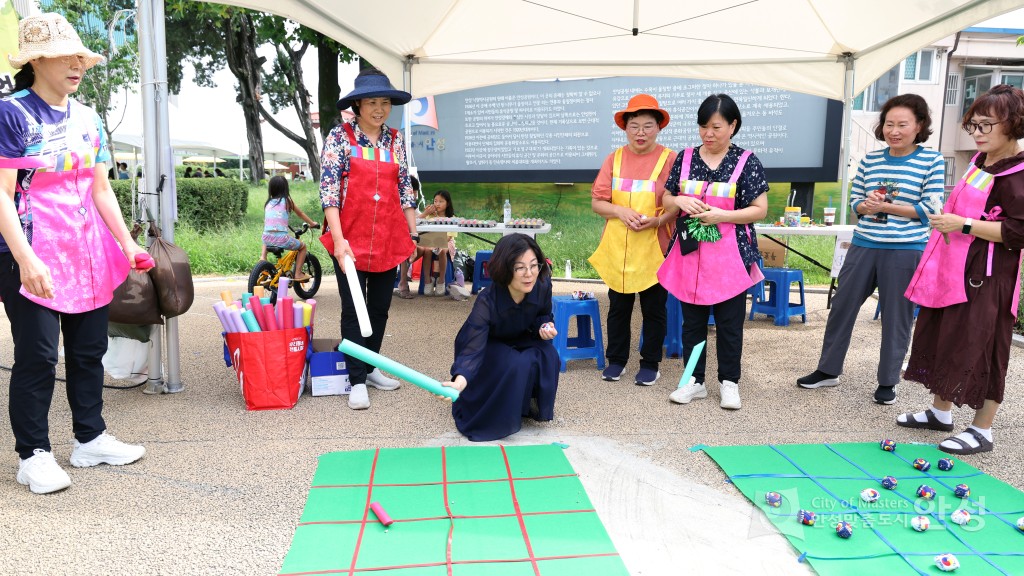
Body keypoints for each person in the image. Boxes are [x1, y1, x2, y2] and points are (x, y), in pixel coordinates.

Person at [0, 13, 147, 494]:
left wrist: (126, 243)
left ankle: (90, 438)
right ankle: (33, 454)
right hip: (30, 251)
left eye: (80, 56)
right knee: (39, 355)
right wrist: (24, 258)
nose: (77, 64)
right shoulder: (12, 113)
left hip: (84, 253)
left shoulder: (87, 117)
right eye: (66, 56)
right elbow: (2, 192)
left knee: (89, 351)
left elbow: (100, 189)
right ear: (37, 61)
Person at [897, 85, 1024, 455]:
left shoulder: (1018, 174)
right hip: (956, 268)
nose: (979, 133)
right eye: (974, 125)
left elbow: (1018, 231)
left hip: (990, 278)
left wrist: (963, 225)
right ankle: (941, 412)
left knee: (985, 346)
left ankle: (982, 430)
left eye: (986, 125)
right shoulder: (981, 161)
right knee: (948, 337)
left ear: (1013, 124)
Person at [797, 94, 944, 404]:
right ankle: (828, 370)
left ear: (919, 126)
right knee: (842, 306)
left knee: (896, 316)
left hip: (906, 248)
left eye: (902, 124)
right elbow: (856, 203)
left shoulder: (931, 160)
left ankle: (888, 381)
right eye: (889, 124)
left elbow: (932, 208)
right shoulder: (870, 160)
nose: (894, 130)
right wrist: (864, 206)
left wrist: (888, 207)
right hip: (864, 244)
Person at [659, 93, 769, 410]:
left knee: (729, 324)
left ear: (733, 126)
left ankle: (729, 382)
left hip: (730, 256)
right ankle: (693, 381)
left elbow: (759, 209)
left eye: (716, 127)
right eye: (703, 126)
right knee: (691, 324)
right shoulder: (686, 158)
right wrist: (679, 201)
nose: (709, 134)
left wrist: (723, 216)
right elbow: (667, 199)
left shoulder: (747, 162)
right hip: (690, 255)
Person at [320, 68, 416, 410]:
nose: (379, 108)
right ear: (358, 105)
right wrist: (339, 239)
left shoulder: (395, 140)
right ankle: (356, 379)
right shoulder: (340, 138)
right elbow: (329, 192)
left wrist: (412, 231)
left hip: (388, 235)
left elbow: (404, 188)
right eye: (372, 102)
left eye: (385, 102)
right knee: (353, 308)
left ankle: (372, 367)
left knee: (379, 308)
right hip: (350, 238)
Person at [588, 94, 676, 385]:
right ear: (625, 128)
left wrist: (660, 219)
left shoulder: (670, 159)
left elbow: (677, 201)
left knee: (654, 309)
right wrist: (619, 210)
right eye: (634, 126)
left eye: (647, 126)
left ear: (658, 127)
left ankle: (650, 363)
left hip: (655, 246)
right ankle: (617, 360)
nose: (641, 133)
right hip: (619, 249)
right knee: (618, 308)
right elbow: (598, 201)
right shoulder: (614, 159)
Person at [441, 234, 559, 441]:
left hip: (521, 335)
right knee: (515, 362)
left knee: (548, 354)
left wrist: (545, 326)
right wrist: (460, 381)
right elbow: (473, 348)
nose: (529, 274)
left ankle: (525, 405)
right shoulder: (487, 301)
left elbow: (543, 314)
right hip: (487, 343)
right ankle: (500, 411)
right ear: (505, 269)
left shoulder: (542, 284)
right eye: (520, 267)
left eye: (534, 265)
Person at [398, 187, 469, 301]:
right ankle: (427, 281)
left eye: (441, 201)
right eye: (435, 201)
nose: (437, 204)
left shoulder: (452, 218)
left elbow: (449, 237)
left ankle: (441, 280)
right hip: (429, 242)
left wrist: (438, 243)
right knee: (427, 250)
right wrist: (426, 213)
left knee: (441, 250)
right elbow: (416, 224)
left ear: (448, 203)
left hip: (446, 242)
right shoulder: (430, 216)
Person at [261, 175, 319, 280]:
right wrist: (312, 223)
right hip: (282, 239)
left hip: (266, 238)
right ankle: (298, 273)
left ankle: (263, 257)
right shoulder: (287, 201)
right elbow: (300, 213)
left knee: (267, 235)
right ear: (285, 188)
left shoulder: (268, 203)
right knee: (303, 247)